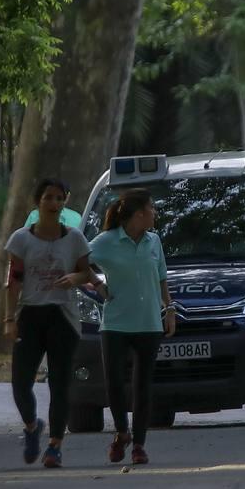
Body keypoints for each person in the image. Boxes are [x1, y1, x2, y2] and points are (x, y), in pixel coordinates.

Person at [4, 178, 98, 468]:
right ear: (38, 202)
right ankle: (32, 427)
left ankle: (55, 446)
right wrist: (9, 319)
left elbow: (89, 274)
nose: (54, 203)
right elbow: (15, 280)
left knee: (59, 383)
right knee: (21, 383)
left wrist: (76, 278)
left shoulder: (74, 239)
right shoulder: (22, 239)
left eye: (59, 198)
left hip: (63, 316)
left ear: (65, 201)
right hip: (31, 314)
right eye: (48, 198)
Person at [88, 187, 176, 465]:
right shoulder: (106, 241)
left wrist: (169, 308)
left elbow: (161, 277)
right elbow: (77, 260)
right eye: (152, 208)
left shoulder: (154, 241)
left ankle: (138, 444)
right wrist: (98, 283)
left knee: (142, 385)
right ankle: (122, 431)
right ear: (139, 214)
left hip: (148, 322)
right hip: (115, 323)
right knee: (114, 381)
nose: (155, 213)